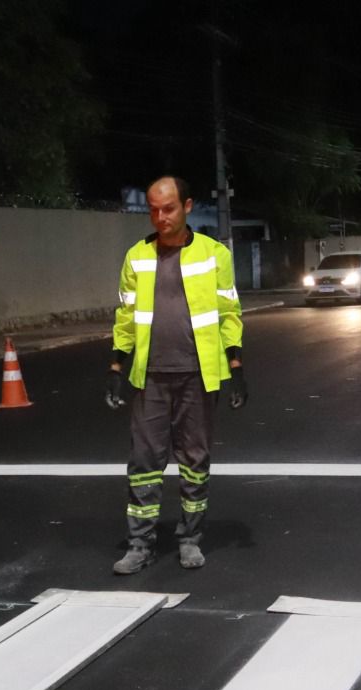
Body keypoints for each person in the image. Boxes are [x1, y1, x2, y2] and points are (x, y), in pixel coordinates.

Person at [106, 176, 246, 574]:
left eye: (168, 208)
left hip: (198, 375)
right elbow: (126, 318)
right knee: (144, 461)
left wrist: (236, 367)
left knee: (194, 460)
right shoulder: (137, 257)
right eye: (153, 209)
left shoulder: (214, 254)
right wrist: (117, 366)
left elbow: (228, 315)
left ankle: (189, 539)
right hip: (149, 375)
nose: (160, 216)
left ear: (187, 206)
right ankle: (140, 544)